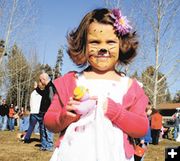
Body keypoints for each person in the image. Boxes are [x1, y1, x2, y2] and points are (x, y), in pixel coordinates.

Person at [44, 8, 149, 161]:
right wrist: (63, 117)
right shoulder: (71, 82)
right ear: (83, 45)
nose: (103, 48)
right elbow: (49, 121)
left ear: (122, 45)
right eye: (95, 42)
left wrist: (117, 113)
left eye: (111, 42)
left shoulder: (130, 87)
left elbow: (141, 128)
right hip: (72, 155)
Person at [35, 72, 55, 151]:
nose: (40, 81)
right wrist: (37, 88)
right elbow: (43, 93)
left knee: (48, 129)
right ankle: (44, 145)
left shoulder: (50, 87)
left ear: (44, 79)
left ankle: (49, 146)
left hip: (48, 112)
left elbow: (52, 99)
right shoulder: (47, 87)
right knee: (42, 129)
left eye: (40, 80)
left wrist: (51, 111)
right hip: (43, 112)